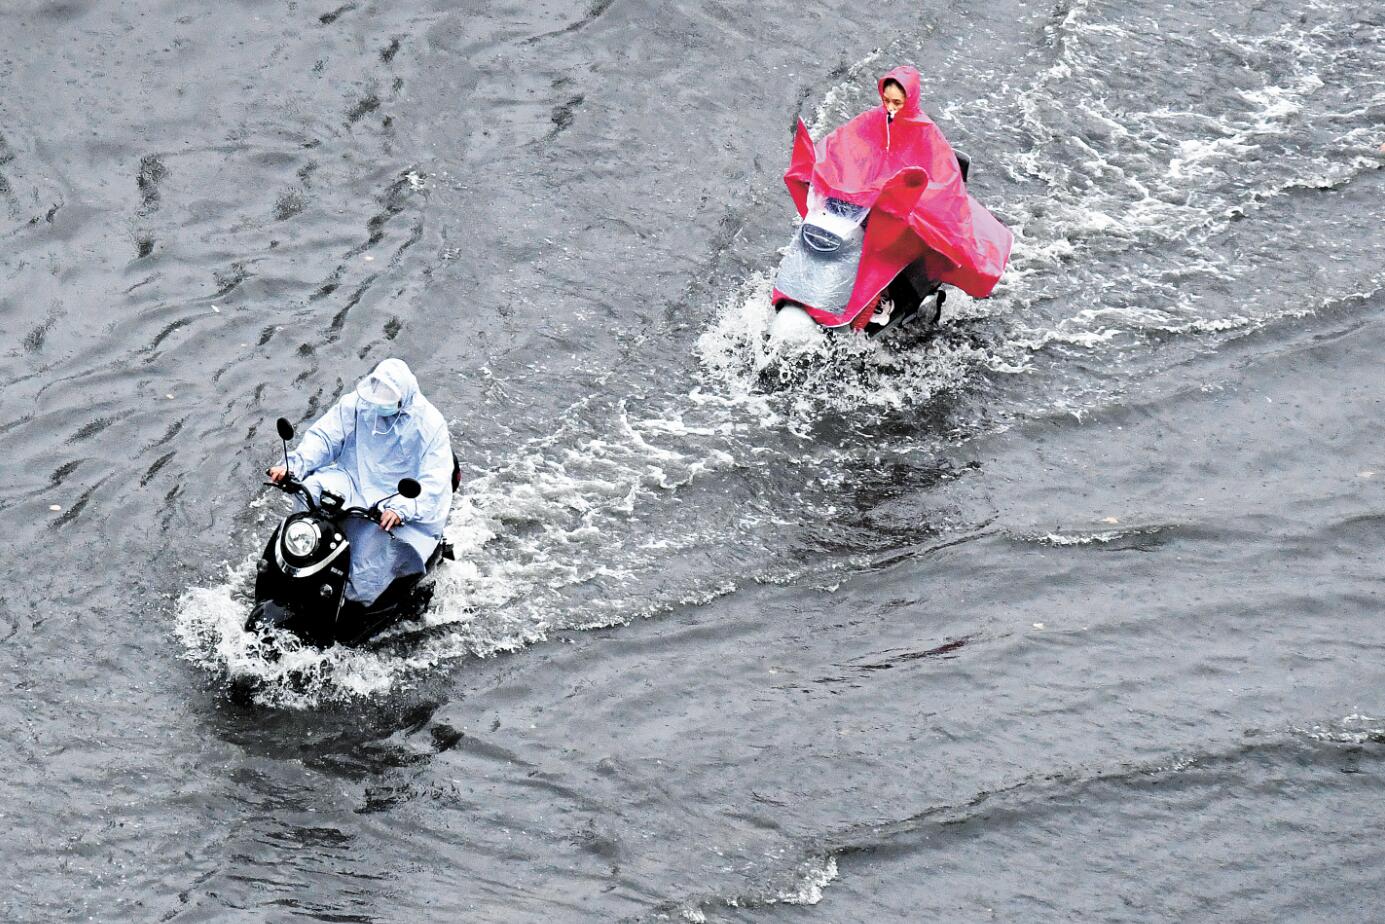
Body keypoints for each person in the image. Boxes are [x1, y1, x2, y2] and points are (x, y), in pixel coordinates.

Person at [268, 357, 453, 606]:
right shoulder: (358, 405)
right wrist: (293, 467)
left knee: (371, 553)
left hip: (395, 496)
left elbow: (434, 479)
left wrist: (401, 509)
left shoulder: (429, 425)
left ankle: (354, 604)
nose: (380, 407)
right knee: (311, 490)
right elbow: (324, 437)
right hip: (353, 478)